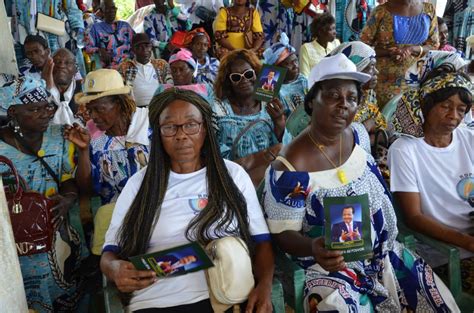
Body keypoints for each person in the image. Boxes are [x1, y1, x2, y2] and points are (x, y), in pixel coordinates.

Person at [263, 54, 459, 312]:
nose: (344, 104)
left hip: (385, 257)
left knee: (440, 305)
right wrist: (312, 246)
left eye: (352, 98)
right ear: (312, 101)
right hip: (332, 271)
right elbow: (282, 234)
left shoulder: (357, 135)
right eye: (333, 96)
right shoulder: (290, 167)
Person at [100, 88, 274, 312]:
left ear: (205, 130)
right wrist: (115, 269)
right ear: (158, 134)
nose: (181, 135)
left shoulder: (232, 175)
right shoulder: (139, 185)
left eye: (191, 124)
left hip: (230, 294)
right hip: (159, 300)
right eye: (170, 127)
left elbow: (262, 241)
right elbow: (109, 254)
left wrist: (265, 286)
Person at [0, 77, 84, 312]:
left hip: (58, 229)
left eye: (47, 106)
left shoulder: (61, 137)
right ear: (13, 112)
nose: (46, 113)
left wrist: (68, 199)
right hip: (16, 244)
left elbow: (68, 179)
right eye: (34, 109)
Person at [388, 68, 474, 268]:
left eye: (461, 109)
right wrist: (467, 241)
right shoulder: (404, 150)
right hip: (446, 254)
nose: (453, 116)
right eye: (445, 106)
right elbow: (414, 217)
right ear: (426, 105)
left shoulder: (469, 139)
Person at [65, 69, 150, 256]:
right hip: (116, 221)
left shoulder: (148, 127)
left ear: (119, 104)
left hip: (155, 212)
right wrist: (84, 151)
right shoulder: (95, 139)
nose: (93, 116)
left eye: (100, 108)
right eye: (90, 109)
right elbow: (88, 190)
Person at [213, 49, 287, 185]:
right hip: (235, 182)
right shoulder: (218, 109)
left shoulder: (271, 100)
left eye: (248, 74)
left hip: (273, 179)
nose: (244, 80)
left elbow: (287, 146)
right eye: (236, 77)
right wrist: (265, 155)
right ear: (228, 82)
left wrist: (279, 121)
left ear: (257, 74)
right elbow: (219, 159)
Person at [360, 0, 439, 108]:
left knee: (411, 119)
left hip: (417, 82)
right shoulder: (380, 11)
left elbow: (433, 45)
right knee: (382, 119)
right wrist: (388, 52)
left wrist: (412, 49)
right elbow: (363, 47)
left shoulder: (429, 10)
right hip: (383, 84)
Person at [329, 41, 386, 133]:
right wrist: (364, 129)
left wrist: (371, 123)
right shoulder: (335, 101)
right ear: (356, 69)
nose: (377, 72)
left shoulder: (368, 94)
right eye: (371, 66)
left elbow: (381, 125)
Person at [118, 33, 173, 108]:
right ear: (134, 50)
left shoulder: (161, 65)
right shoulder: (125, 67)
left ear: (151, 47)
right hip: (135, 110)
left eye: (147, 46)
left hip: (159, 108)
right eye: (140, 47)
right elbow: (121, 92)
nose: (145, 50)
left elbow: (170, 85)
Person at [263, 32, 308, 117]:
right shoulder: (270, 86)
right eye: (288, 64)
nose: (295, 66)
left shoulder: (303, 80)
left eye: (295, 61)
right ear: (277, 68)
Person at [85, 0, 135, 69]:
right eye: (108, 8)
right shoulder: (96, 28)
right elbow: (88, 48)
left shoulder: (125, 25)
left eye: (113, 8)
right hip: (110, 68)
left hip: (130, 65)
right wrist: (99, 50)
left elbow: (137, 41)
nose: (112, 11)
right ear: (101, 11)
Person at [41, 48, 83, 125]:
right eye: (57, 62)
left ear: (75, 69)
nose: (61, 66)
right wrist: (45, 87)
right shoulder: (39, 90)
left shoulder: (84, 91)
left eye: (68, 62)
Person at [299, 13, 340, 78]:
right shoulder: (306, 48)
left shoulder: (336, 44)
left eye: (334, 28)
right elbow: (305, 76)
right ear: (320, 32)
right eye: (331, 29)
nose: (335, 32)